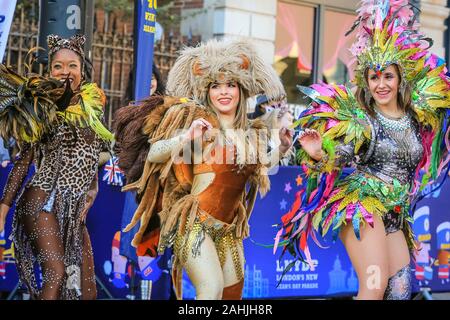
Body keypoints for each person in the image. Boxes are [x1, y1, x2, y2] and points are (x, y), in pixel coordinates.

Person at [276, 0, 450, 300]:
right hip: (362, 207)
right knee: (373, 285)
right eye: (374, 77)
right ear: (366, 82)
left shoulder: (415, 117)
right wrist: (319, 152)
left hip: (395, 212)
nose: (381, 84)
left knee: (400, 290)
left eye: (388, 76)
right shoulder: (363, 120)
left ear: (399, 80)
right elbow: (341, 154)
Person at [114, 38, 292, 299]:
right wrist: (186, 137)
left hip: (229, 230)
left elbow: (260, 167)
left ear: (241, 89)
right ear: (206, 90)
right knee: (210, 289)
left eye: (230, 85)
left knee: (232, 295)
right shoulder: (197, 121)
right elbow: (154, 152)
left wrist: (283, 148)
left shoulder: (250, 134)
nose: (223, 92)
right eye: (215, 86)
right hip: (193, 224)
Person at [0, 34, 114, 299]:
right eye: (58, 66)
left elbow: (92, 154)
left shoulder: (92, 108)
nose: (65, 72)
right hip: (42, 203)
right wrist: (3, 211)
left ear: (82, 70)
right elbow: (22, 163)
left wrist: (93, 188)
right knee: (56, 273)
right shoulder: (41, 109)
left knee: (83, 289)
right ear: (50, 70)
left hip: (73, 212)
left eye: (72, 65)